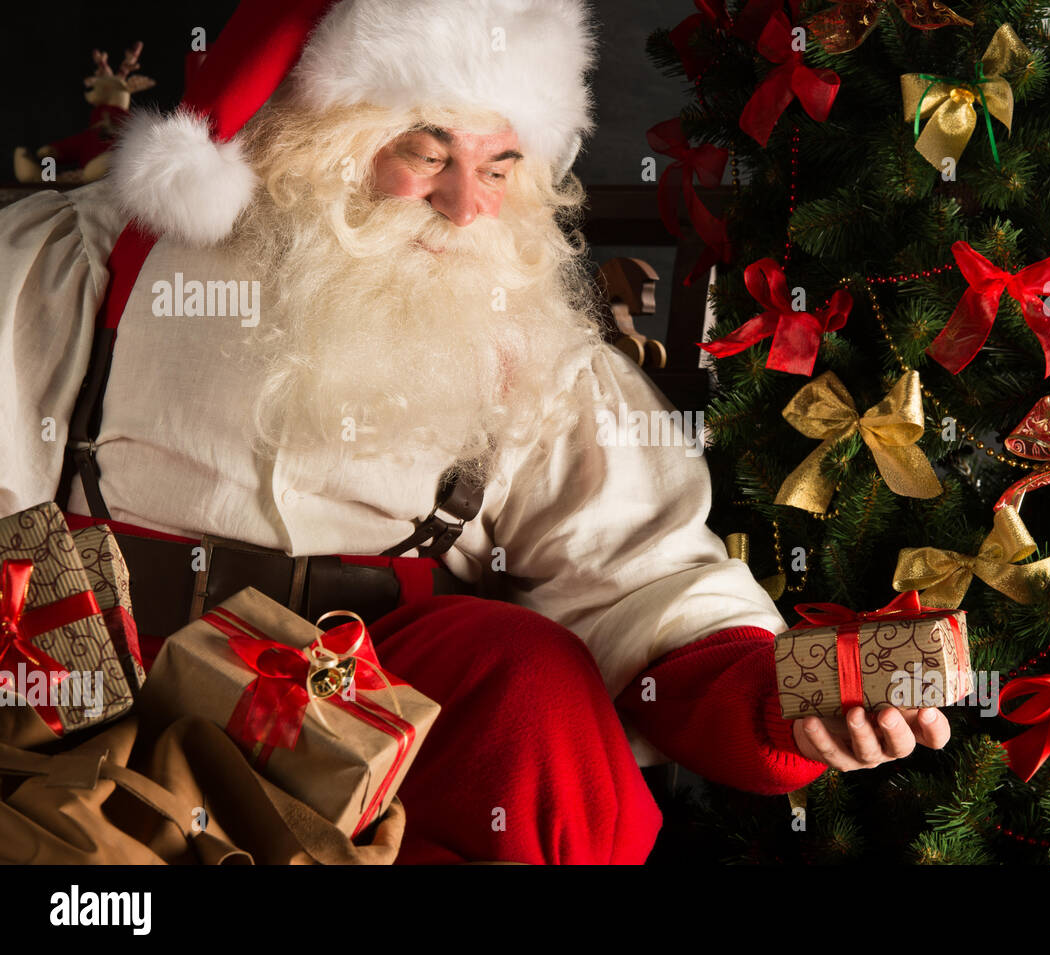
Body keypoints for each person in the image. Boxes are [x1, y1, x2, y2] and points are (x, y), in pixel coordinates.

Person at [0, 0, 949, 864]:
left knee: (531, 680)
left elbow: (649, 583)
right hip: (115, 692)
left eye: (499, 167)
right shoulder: (88, 268)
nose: (467, 206)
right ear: (317, 138)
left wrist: (780, 702)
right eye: (427, 153)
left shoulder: (531, 344)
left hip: (382, 712)